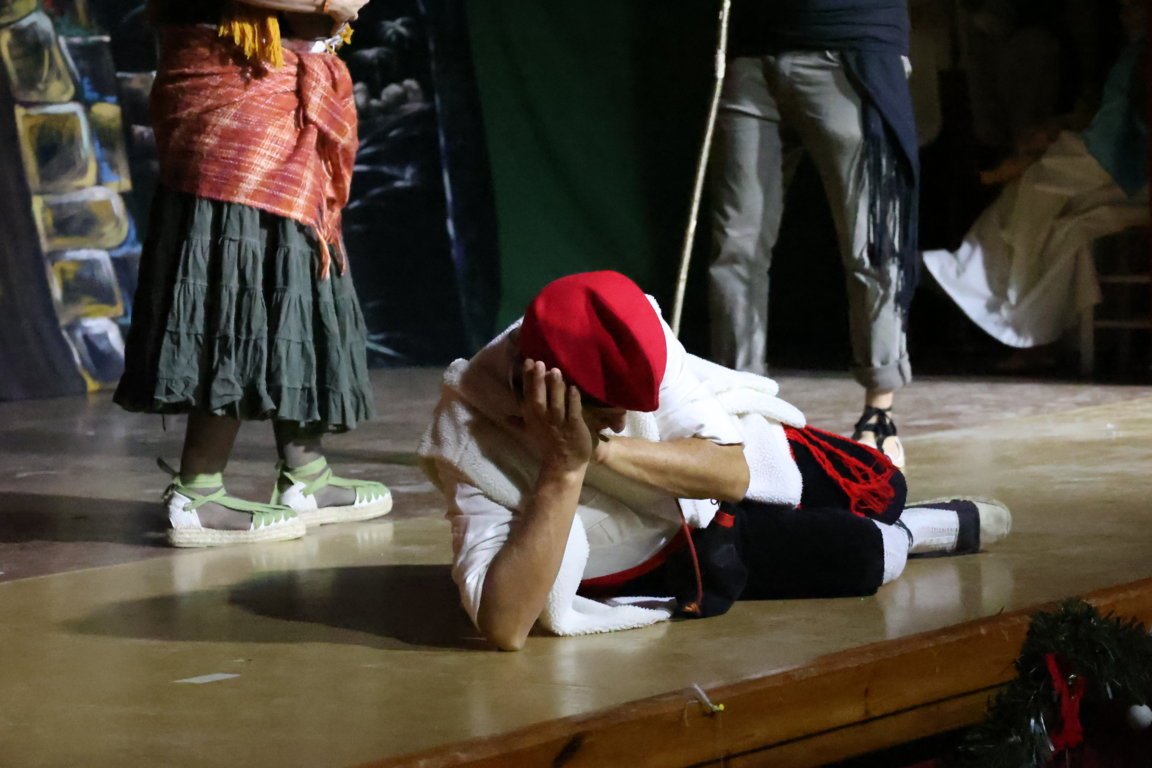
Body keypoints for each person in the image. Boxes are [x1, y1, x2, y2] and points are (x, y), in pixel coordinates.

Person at [418, 271, 1010, 651]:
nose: (624, 419)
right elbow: (505, 626)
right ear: (541, 390)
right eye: (607, 412)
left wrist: (599, 448)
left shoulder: (632, 323)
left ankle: (903, 514)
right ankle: (913, 534)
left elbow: (732, 472)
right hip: (650, 547)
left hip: (703, 473)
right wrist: (563, 470)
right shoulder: (465, 433)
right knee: (867, 554)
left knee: (882, 487)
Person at [114, 0, 391, 547]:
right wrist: (324, 3)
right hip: (231, 86)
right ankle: (198, 492)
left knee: (294, 272)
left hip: (284, 84)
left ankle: (306, 474)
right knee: (237, 281)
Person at [707, 0, 921, 468]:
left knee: (871, 243)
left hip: (850, 43)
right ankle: (741, 406)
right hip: (754, 49)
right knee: (736, 247)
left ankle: (879, 414)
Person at [922, 0, 1149, 349]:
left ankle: (1006, 303)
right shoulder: (1134, 52)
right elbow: (1106, 120)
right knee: (1033, 197)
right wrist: (1055, 134)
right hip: (1110, 164)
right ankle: (986, 289)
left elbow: (1112, 142)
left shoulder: (1143, 55)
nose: (1125, 11)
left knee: (1036, 190)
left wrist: (1037, 157)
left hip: (1126, 172)